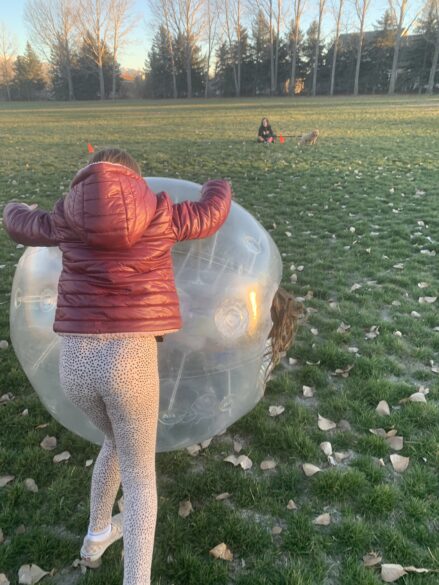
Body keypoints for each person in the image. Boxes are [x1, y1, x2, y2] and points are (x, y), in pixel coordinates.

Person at [3, 148, 232, 585]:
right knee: (141, 477)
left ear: (88, 177)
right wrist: (217, 184)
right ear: (136, 179)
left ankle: (96, 537)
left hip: (76, 364)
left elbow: (18, 225)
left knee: (113, 441)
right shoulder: (161, 212)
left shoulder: (68, 216)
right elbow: (211, 214)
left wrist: (17, 207)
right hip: (129, 363)